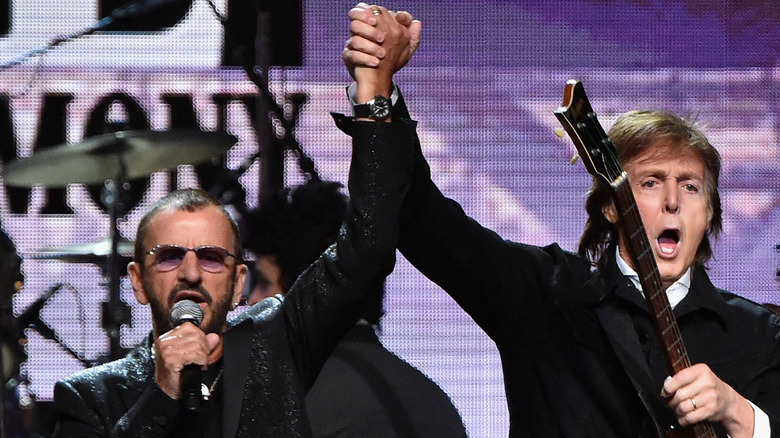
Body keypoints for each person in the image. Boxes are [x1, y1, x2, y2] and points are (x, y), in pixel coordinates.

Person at [340, 3, 780, 437]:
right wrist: (377, 94)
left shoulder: (758, 334)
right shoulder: (544, 295)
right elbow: (423, 219)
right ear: (612, 205)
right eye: (650, 182)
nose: (671, 201)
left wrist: (740, 414)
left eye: (690, 186)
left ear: (709, 213)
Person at [49, 45, 421, 437]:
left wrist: (375, 94)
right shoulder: (90, 397)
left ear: (239, 280)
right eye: (170, 257)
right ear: (138, 281)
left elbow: (370, 245)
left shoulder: (278, 347)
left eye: (211, 258)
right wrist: (160, 397)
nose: (191, 273)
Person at [241, 178, 467, 437]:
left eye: (265, 282)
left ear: (309, 292)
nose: (254, 300)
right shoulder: (432, 399)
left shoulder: (288, 400)